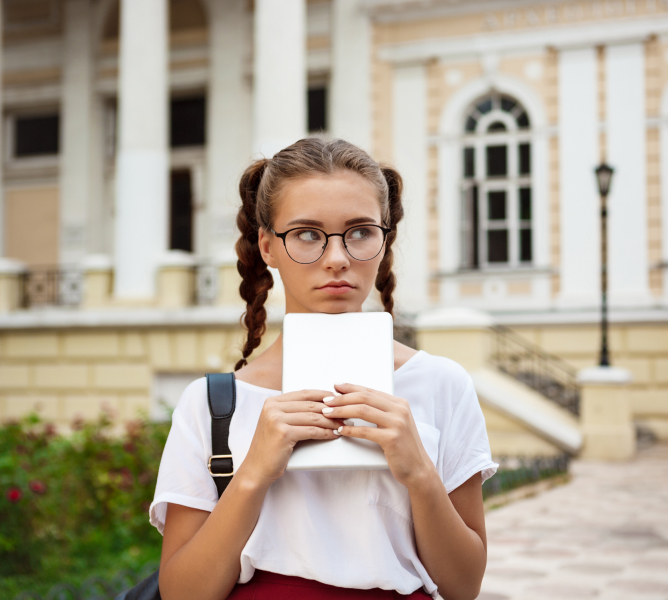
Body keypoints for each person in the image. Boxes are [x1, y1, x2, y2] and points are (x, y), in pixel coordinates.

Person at [149, 138, 497, 600]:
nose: (337, 258)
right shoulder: (212, 405)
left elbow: (464, 586)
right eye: (308, 234)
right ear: (268, 246)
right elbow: (181, 593)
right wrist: (253, 473)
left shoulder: (441, 384)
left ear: (385, 240)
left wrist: (419, 473)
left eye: (360, 232)